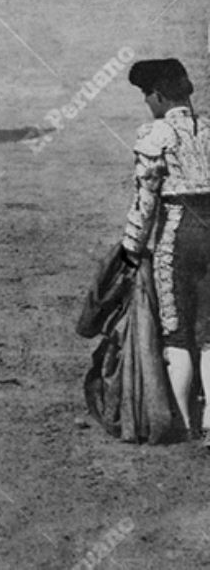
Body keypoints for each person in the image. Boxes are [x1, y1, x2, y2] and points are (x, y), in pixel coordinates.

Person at [117, 58, 210, 438]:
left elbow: (146, 201)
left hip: (179, 231)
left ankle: (184, 424)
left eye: (145, 96)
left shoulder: (154, 134)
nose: (146, 103)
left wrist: (129, 252)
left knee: (175, 330)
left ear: (157, 95)